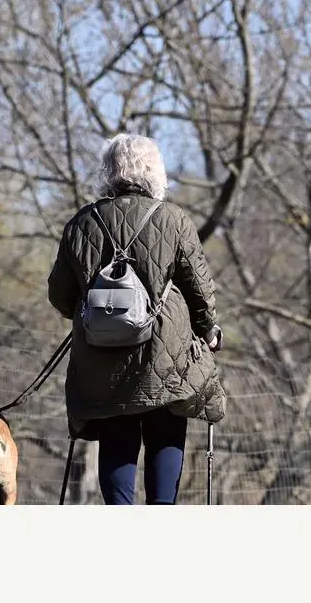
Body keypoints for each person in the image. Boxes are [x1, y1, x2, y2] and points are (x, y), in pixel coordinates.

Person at [47, 133, 227, 505]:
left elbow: (60, 295)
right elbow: (199, 289)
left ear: (109, 172)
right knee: (165, 432)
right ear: (155, 172)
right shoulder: (173, 219)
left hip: (101, 358)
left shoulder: (82, 224)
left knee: (116, 435)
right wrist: (209, 331)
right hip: (166, 354)